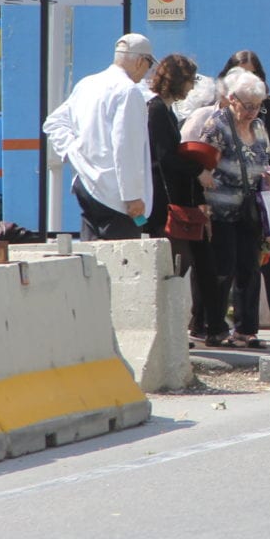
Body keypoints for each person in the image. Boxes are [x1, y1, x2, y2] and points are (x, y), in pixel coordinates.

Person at [194, 68, 270, 348]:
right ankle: (215, 327)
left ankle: (246, 329)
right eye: (248, 106)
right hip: (221, 209)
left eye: (257, 106)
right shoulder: (217, 126)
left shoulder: (259, 126)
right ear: (232, 99)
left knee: (250, 267)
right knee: (223, 268)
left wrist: (267, 175)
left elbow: (262, 158)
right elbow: (202, 167)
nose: (253, 112)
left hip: (250, 208)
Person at [143, 54, 227, 345]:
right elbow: (164, 158)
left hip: (180, 199)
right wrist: (198, 171)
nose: (192, 87)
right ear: (179, 80)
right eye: (190, 80)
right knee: (179, 267)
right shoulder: (156, 110)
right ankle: (183, 329)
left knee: (197, 262)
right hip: (170, 202)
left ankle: (208, 325)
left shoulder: (163, 110)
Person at [219, 50, 270, 340]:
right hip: (231, 200)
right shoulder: (220, 117)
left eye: (251, 75)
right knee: (236, 264)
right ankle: (233, 323)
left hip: (267, 197)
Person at [43, 32, 155, 240]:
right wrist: (133, 196)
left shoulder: (87, 84)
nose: (148, 71)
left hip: (85, 182)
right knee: (122, 263)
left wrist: (72, 151)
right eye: (149, 63)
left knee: (93, 260)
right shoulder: (129, 91)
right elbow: (125, 146)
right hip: (116, 194)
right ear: (140, 61)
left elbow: (54, 122)